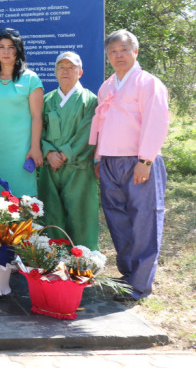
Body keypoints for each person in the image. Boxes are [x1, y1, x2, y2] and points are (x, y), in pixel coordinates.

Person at [89, 29, 169, 301]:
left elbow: (156, 122)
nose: (118, 55)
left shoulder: (148, 83)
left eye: (124, 49)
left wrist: (145, 160)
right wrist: (99, 157)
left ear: (135, 51)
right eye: (113, 51)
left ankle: (140, 284)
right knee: (118, 219)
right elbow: (102, 124)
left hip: (138, 160)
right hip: (109, 161)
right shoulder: (107, 86)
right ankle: (128, 275)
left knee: (144, 219)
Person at [37, 51, 99, 248]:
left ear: (80, 72)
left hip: (78, 167)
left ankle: (84, 259)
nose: (65, 71)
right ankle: (53, 256)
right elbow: (38, 130)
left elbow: (87, 132)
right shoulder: (47, 100)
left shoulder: (90, 100)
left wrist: (64, 154)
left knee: (80, 215)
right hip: (50, 167)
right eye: (61, 67)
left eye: (71, 67)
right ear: (55, 72)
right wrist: (48, 152)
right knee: (51, 213)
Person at [0, 28, 44, 196]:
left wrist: (35, 147)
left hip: (22, 151)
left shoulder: (31, 79)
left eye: (11, 47)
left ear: (18, 50)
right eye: (1, 47)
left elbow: (37, 116)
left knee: (23, 200)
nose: (6, 51)